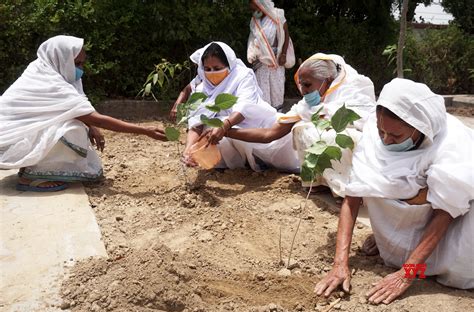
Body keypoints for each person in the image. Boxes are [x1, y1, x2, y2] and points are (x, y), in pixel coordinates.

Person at [314, 78, 474, 304]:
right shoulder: (375, 131)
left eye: (396, 137)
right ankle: (393, 246)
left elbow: (445, 213)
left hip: (449, 226)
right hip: (406, 225)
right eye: (382, 132)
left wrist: (406, 275)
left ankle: (417, 265)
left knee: (458, 270)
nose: (386, 140)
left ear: (420, 129)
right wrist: (340, 264)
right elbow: (352, 199)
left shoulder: (451, 145)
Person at [0, 35, 167, 192]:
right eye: (77, 63)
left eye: (82, 63)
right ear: (61, 59)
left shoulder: (46, 71)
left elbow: (81, 109)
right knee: (73, 129)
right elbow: (94, 118)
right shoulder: (51, 83)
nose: (81, 69)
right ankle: (30, 178)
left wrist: (91, 126)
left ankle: (30, 168)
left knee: (77, 125)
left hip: (19, 135)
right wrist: (145, 130)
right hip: (7, 140)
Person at [226, 53, 376, 196]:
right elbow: (269, 134)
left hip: (364, 161)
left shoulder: (355, 90)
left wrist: (328, 119)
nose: (303, 91)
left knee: (335, 134)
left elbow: (367, 123)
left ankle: (348, 189)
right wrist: (226, 130)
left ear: (328, 80)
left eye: (307, 85)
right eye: (301, 85)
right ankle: (318, 183)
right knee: (301, 129)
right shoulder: (307, 106)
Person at [169, 41, 299, 173]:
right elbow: (197, 123)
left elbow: (244, 106)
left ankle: (260, 160)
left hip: (257, 125)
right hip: (226, 133)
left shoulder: (242, 76)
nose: (212, 72)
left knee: (287, 146)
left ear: (229, 65)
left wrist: (225, 125)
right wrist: (188, 150)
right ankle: (241, 163)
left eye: (217, 68)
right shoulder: (202, 89)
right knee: (209, 130)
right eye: (207, 69)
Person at [247, 0, 290, 110]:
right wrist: (251, 54)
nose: (252, 10)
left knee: (277, 90)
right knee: (262, 91)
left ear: (261, 4)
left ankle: (277, 118)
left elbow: (286, 35)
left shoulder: (277, 15)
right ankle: (265, 119)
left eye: (254, 7)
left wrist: (284, 54)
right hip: (260, 62)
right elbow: (252, 39)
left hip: (276, 60)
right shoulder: (254, 21)